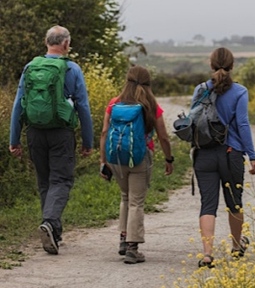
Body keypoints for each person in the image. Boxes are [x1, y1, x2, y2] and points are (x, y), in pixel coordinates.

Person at [9, 25, 94, 255]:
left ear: (47, 42)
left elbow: (18, 105)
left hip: (34, 132)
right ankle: (49, 222)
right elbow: (83, 107)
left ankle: (53, 231)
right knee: (62, 180)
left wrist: (14, 139)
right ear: (65, 44)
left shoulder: (30, 67)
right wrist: (88, 141)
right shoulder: (72, 69)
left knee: (45, 181)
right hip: (61, 134)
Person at [192, 47, 255, 268]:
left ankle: (207, 255)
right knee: (234, 203)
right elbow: (242, 124)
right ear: (232, 66)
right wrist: (252, 155)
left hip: (204, 154)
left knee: (208, 204)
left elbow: (193, 122)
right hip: (231, 153)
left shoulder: (200, 89)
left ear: (211, 65)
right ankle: (237, 246)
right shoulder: (240, 91)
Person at [99, 65, 174, 264]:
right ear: (148, 83)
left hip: (116, 157)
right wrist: (169, 159)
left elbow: (105, 132)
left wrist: (103, 161)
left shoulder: (114, 103)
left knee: (125, 197)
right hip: (141, 157)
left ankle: (123, 240)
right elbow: (163, 136)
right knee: (136, 202)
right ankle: (133, 247)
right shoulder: (150, 104)